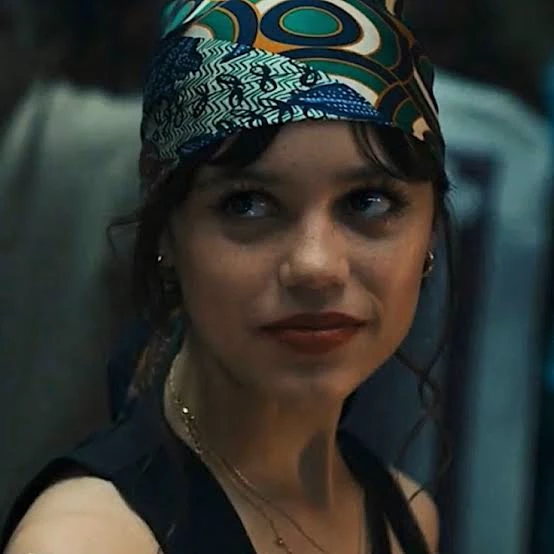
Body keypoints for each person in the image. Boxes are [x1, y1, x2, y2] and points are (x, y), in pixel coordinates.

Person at [1, 0, 452, 552]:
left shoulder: (403, 516)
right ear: (167, 234)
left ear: (430, 231)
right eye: (248, 205)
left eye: (368, 201)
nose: (315, 266)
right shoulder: (90, 540)